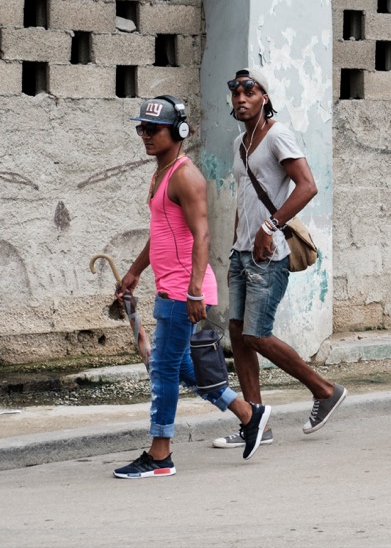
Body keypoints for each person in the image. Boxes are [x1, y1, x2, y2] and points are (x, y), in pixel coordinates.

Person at [113, 95, 270, 479]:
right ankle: (249, 415)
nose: (146, 136)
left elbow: (202, 235)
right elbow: (162, 232)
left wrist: (195, 290)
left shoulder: (185, 175)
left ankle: (160, 454)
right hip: (173, 286)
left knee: (163, 371)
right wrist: (135, 272)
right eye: (142, 129)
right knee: (183, 368)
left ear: (179, 131)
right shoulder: (161, 173)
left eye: (154, 129)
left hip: (184, 291)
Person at [211, 69, 346, 451]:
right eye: (235, 91)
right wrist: (236, 246)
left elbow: (307, 186)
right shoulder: (240, 143)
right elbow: (244, 199)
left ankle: (324, 390)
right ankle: (256, 421)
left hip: (269, 255)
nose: (241, 97)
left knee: (256, 333)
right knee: (237, 334)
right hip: (243, 253)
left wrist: (268, 227)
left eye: (249, 91)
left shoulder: (278, 136)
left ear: (265, 97)